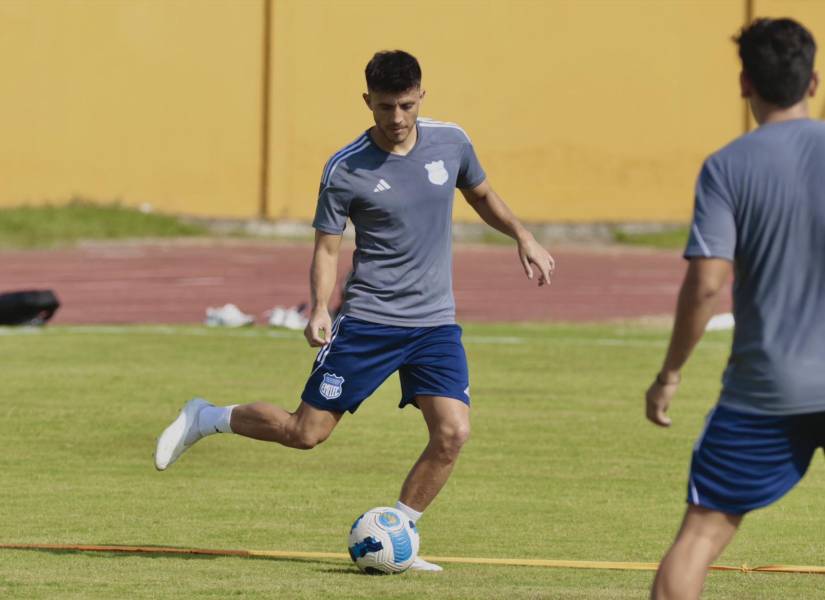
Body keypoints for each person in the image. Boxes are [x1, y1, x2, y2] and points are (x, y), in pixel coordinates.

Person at [154, 49, 555, 571]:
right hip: (368, 321)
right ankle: (206, 417)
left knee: (453, 432)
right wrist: (320, 307)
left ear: (421, 98)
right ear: (367, 101)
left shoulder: (452, 142)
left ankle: (398, 535)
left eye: (406, 105)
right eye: (385, 106)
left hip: (434, 324)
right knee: (306, 433)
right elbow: (327, 247)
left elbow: (481, 194)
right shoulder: (345, 169)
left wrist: (522, 236)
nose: (396, 118)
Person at [644, 18, 823, 600]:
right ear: (815, 81)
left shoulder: (727, 166)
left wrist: (670, 374)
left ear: (744, 83)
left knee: (700, 536)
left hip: (767, 390)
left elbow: (706, 284)